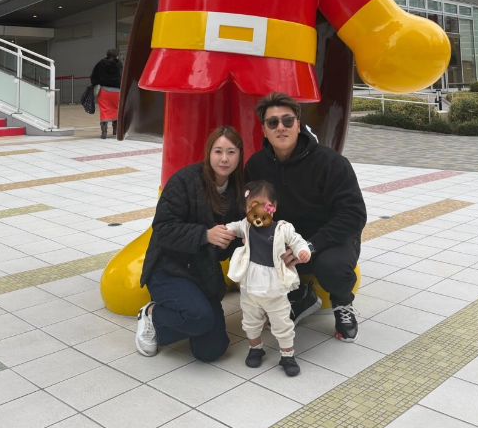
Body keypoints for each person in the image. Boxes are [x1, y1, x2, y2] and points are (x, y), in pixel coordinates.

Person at [245, 92, 367, 342]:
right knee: (247, 250)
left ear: (298, 125)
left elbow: (353, 214)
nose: (281, 127)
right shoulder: (257, 165)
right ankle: (300, 296)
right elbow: (252, 209)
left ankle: (342, 303)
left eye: (288, 121)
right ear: (264, 129)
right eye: (273, 122)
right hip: (287, 240)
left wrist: (311, 245)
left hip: (329, 240)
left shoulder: (331, 163)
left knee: (333, 267)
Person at [135, 126, 243, 361]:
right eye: (218, 151)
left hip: (204, 272)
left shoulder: (237, 190)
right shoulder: (184, 180)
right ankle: (152, 315)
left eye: (231, 152)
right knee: (199, 318)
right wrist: (205, 235)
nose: (224, 159)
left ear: (239, 155)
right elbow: (162, 229)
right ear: (209, 152)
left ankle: (191, 318)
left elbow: (229, 246)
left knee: (211, 350)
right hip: (169, 268)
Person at [226, 179, 310, 377]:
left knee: (282, 322)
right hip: (250, 287)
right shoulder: (246, 225)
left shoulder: (282, 228)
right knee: (250, 321)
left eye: (263, 205)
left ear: (274, 206)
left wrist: (303, 250)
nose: (258, 211)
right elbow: (233, 227)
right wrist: (227, 230)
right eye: (251, 206)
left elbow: (297, 240)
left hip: (275, 287)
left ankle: (287, 355)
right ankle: (256, 349)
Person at [90, 49, 123, 139]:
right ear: (117, 55)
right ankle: (115, 131)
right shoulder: (119, 64)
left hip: (104, 90)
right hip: (117, 91)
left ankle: (104, 132)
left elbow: (93, 76)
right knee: (116, 109)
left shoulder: (101, 63)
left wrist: (96, 83)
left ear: (107, 55)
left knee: (104, 110)